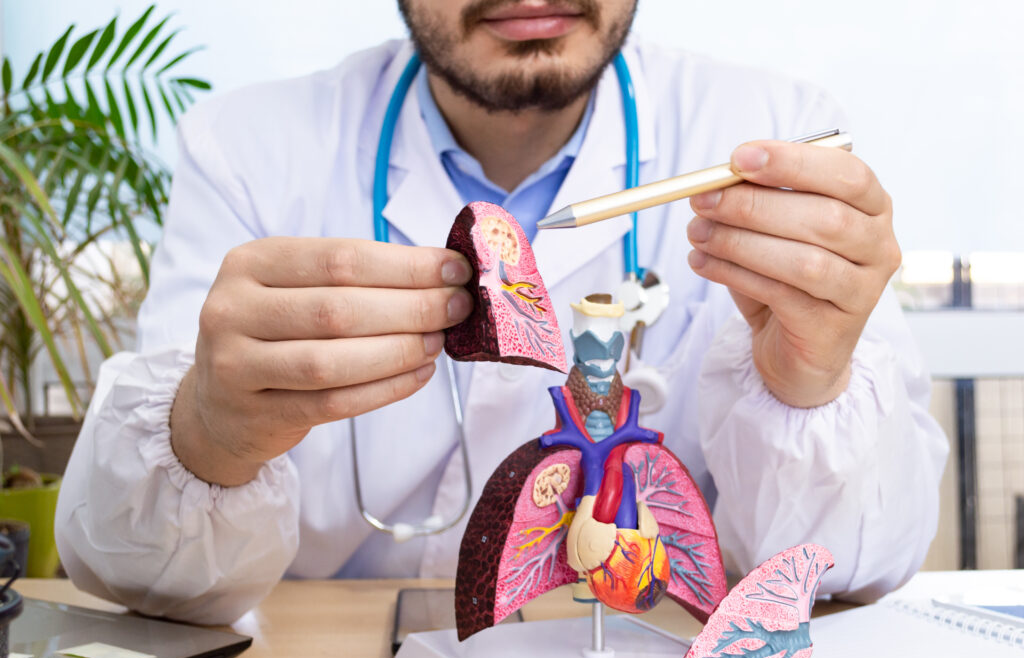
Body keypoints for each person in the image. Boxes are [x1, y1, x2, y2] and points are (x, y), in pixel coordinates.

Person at [55, 0, 948, 625]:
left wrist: (810, 381)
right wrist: (207, 435)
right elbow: (141, 584)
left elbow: (854, 567)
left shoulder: (771, 134)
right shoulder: (250, 153)